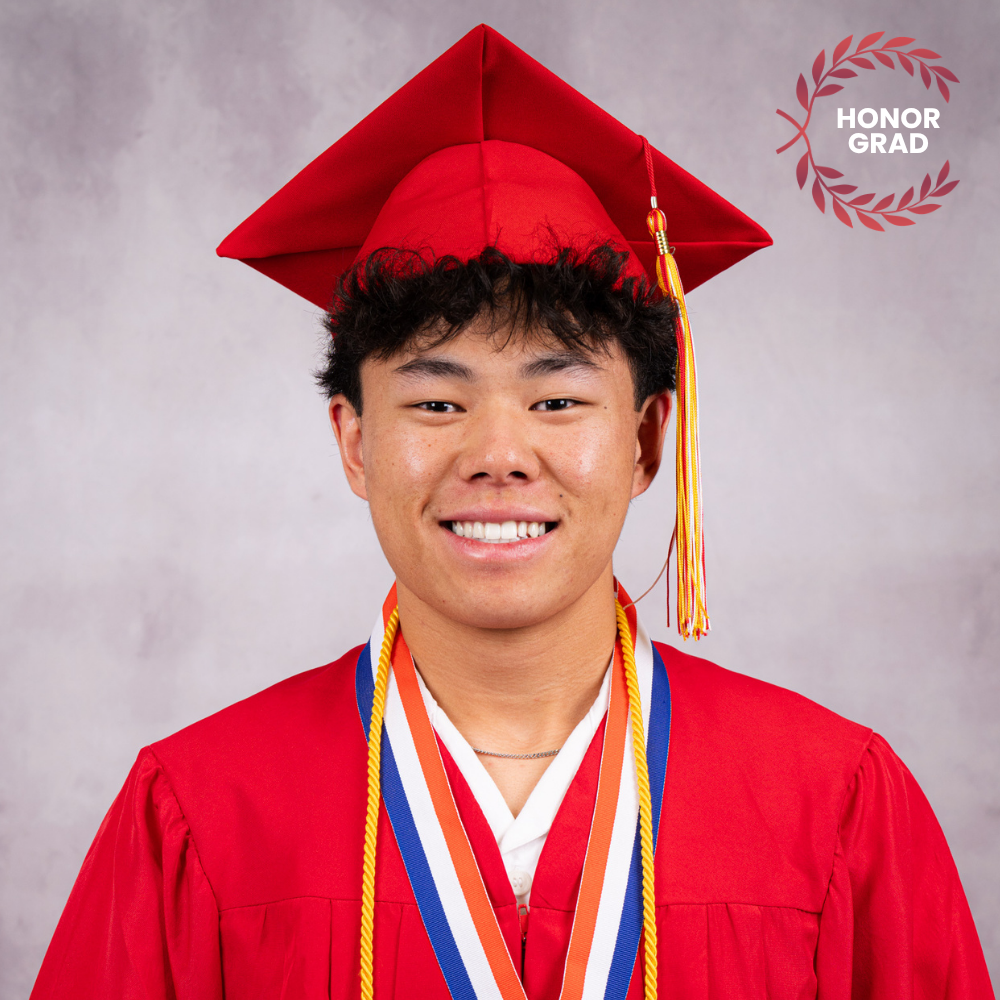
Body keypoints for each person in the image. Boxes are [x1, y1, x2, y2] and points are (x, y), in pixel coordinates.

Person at [30, 24, 993, 1000]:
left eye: (557, 399)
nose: (496, 456)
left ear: (648, 439)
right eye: (436, 401)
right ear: (355, 441)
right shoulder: (198, 813)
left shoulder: (834, 805)